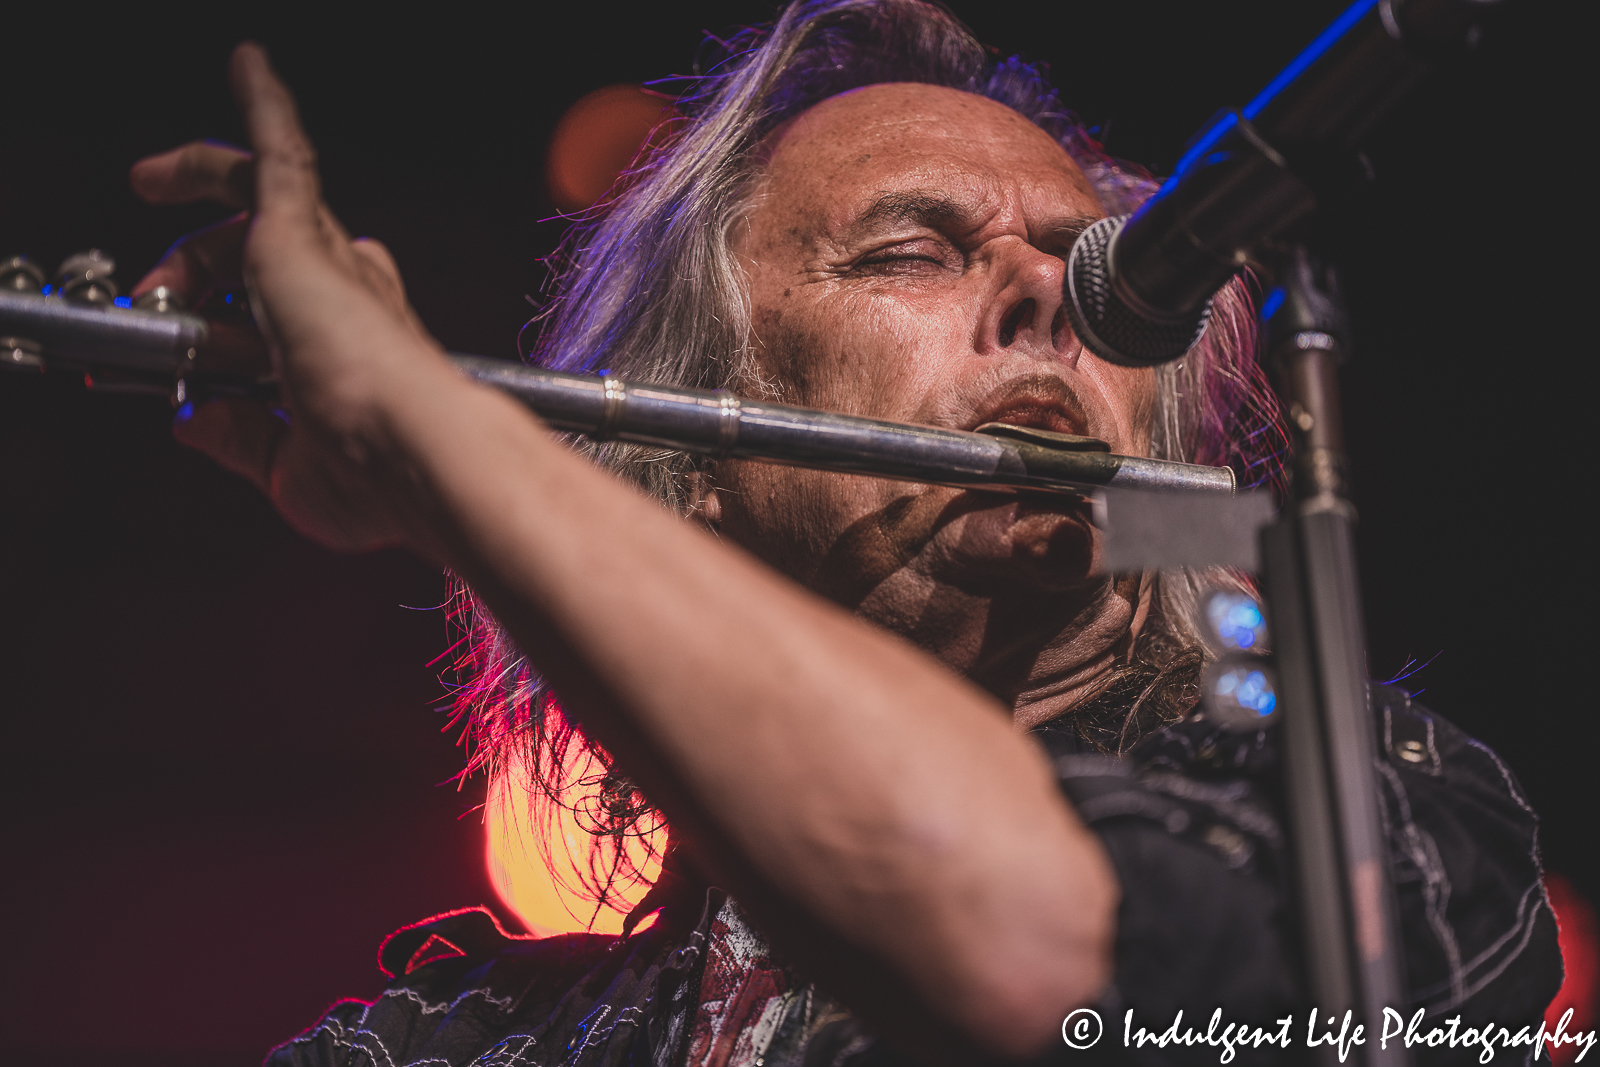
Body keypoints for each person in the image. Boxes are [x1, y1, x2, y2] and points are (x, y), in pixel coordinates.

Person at [125, 1, 1560, 1062]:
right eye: (910, 251)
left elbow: (1051, 955)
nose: (1044, 301)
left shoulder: (1375, 817)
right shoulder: (456, 1044)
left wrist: (432, 443)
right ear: (683, 452)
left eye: (1089, 269)